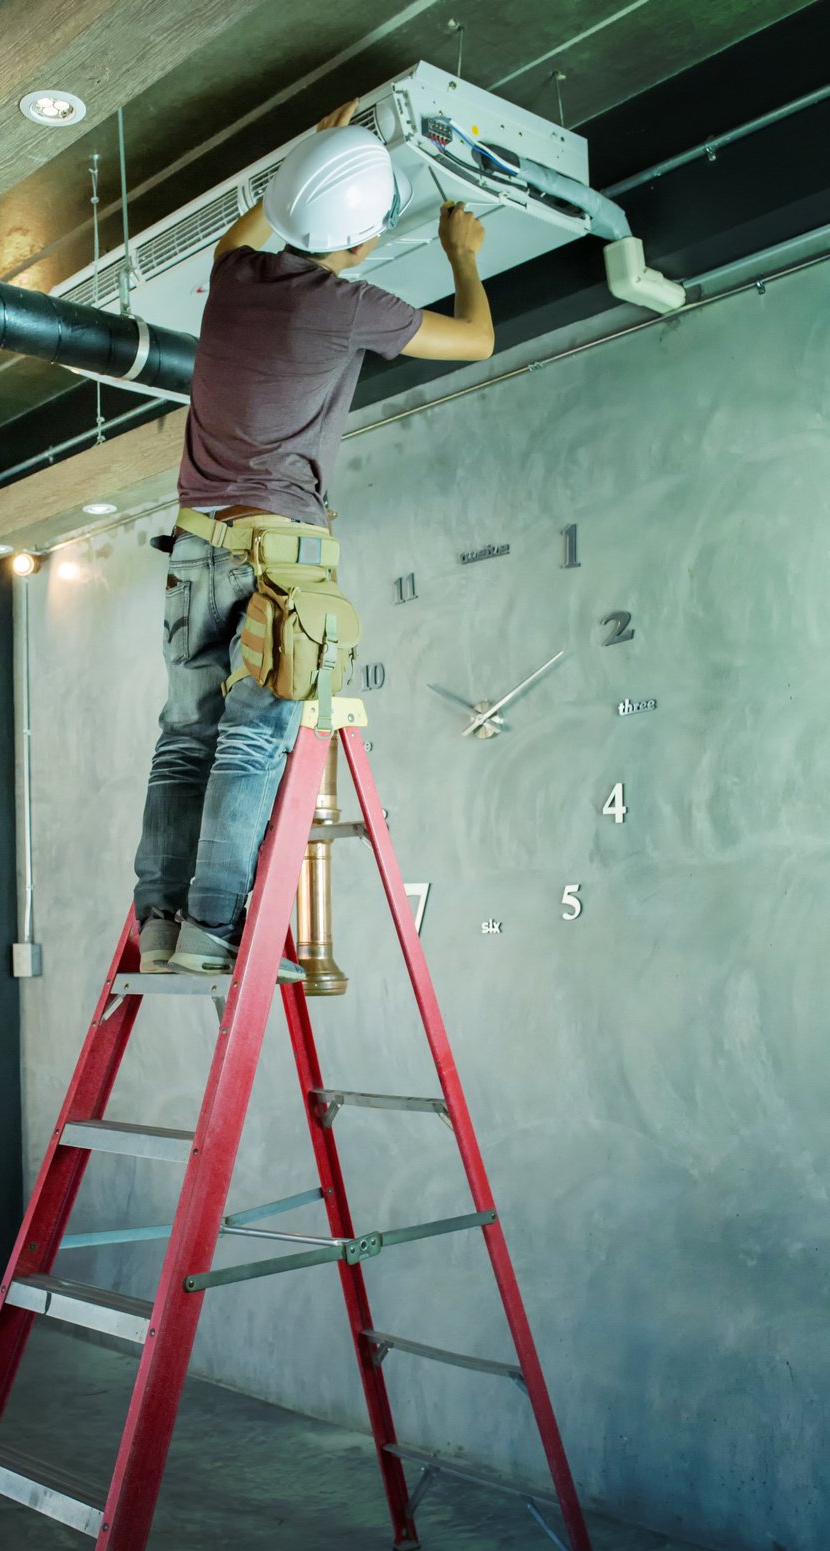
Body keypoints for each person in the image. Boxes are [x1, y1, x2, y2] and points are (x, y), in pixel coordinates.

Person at [132, 99, 494, 978]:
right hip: (279, 556)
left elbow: (240, 239)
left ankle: (160, 923)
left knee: (186, 736)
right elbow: (478, 339)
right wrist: (462, 255)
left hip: (193, 547)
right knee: (252, 736)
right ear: (365, 243)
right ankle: (213, 929)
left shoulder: (235, 278)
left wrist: (307, 155)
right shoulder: (348, 305)